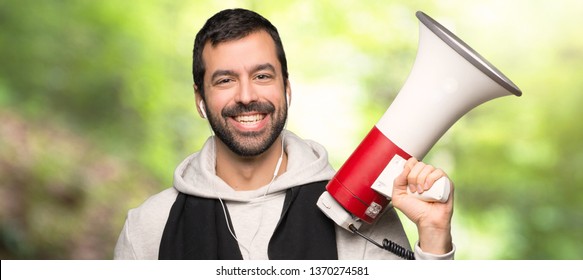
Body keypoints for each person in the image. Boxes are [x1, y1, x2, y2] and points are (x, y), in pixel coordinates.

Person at [114, 8, 455, 260]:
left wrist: (435, 236)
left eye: (262, 76)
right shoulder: (147, 226)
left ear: (287, 89)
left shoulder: (355, 215)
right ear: (200, 98)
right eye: (225, 80)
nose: (246, 96)